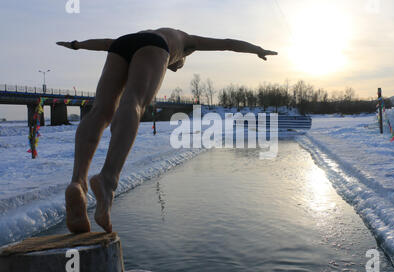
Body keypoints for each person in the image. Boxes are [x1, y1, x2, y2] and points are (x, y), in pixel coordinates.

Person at [57, 27, 277, 234]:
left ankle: (78, 182)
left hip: (122, 42)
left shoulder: (155, 33)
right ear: (184, 56)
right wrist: (256, 49)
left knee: (100, 111)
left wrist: (76, 44)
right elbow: (227, 43)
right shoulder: (186, 41)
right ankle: (107, 180)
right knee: (134, 101)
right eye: (174, 66)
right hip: (154, 45)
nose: (173, 67)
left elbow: (105, 43)